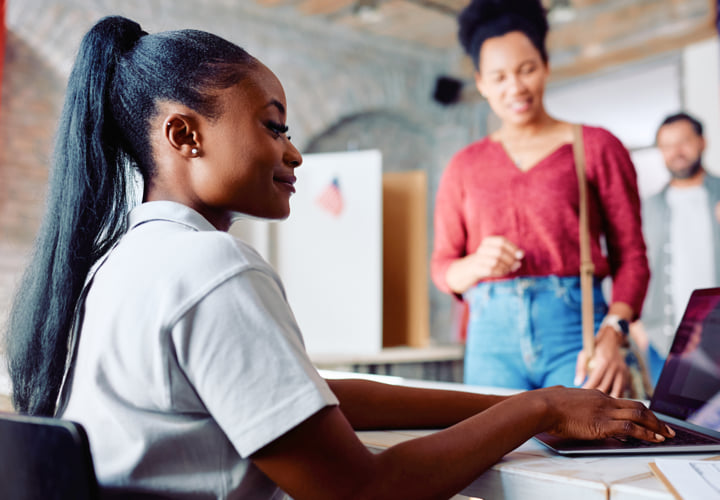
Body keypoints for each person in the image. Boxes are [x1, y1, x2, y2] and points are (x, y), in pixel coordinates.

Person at [5, 15, 673, 500]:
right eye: (273, 126)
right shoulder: (211, 270)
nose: (295, 152)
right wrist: (540, 411)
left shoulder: (116, 263)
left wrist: (526, 400)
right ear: (184, 134)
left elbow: (313, 397)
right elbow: (362, 492)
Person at [431, 0, 649, 397]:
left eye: (526, 69)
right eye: (498, 77)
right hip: (490, 341)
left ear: (546, 65)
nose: (514, 87)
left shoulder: (596, 146)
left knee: (587, 453)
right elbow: (443, 267)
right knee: (492, 456)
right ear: (480, 82)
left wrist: (613, 334)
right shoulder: (463, 165)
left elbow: (631, 256)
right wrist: (476, 264)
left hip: (576, 333)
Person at [633, 112, 720, 385]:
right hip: (665, 344)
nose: (676, 152)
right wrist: (641, 332)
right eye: (667, 145)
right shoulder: (646, 209)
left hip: (717, 339)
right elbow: (631, 266)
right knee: (672, 427)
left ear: (702, 142)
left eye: (684, 141)